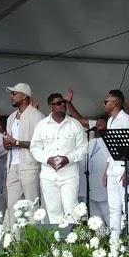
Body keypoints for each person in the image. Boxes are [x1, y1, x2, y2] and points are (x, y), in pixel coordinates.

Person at [30, 93, 87, 224]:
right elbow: (34, 147)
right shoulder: (42, 125)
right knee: (54, 213)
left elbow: (83, 148)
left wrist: (69, 158)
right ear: (51, 106)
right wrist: (47, 159)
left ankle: (72, 243)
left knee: (71, 211)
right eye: (58, 103)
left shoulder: (75, 124)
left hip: (69, 175)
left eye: (63, 103)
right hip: (48, 176)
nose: (62, 105)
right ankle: (58, 243)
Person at [3, 83, 44, 225]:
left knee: (33, 207)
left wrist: (17, 143)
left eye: (14, 93)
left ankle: (35, 243)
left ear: (25, 96)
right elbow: (10, 141)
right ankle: (15, 244)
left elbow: (40, 144)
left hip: (30, 166)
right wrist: (7, 144)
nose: (11, 97)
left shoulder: (37, 116)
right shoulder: (11, 118)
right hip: (13, 166)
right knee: (12, 207)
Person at [102, 89, 129, 240]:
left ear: (115, 103)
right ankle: (114, 239)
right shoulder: (110, 121)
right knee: (113, 206)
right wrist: (106, 170)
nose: (104, 104)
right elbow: (111, 151)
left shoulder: (126, 119)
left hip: (124, 168)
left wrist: (127, 171)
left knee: (128, 206)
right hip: (112, 168)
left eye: (106, 102)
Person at [78, 115, 111, 226]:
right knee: (94, 217)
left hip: (102, 184)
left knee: (108, 213)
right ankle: (100, 239)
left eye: (101, 124)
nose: (98, 126)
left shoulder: (110, 141)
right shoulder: (89, 142)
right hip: (89, 185)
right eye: (97, 125)